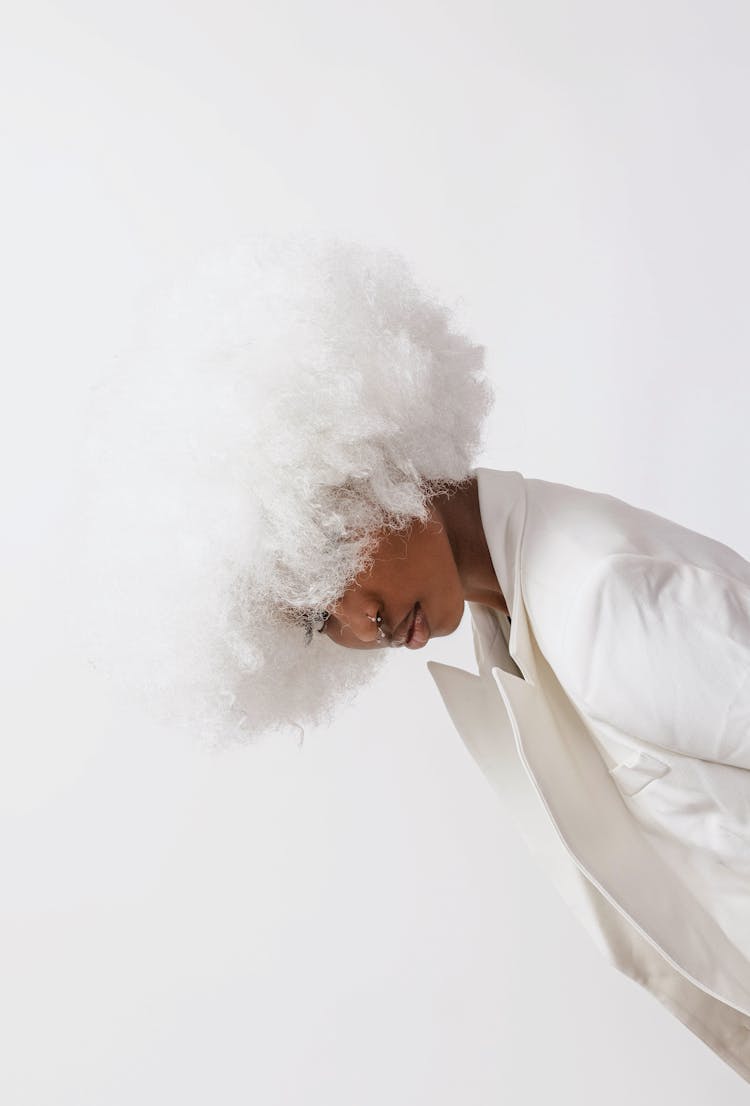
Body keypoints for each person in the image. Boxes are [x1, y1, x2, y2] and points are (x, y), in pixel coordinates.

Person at [80, 234, 750, 1083]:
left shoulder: (605, 594)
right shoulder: (522, 609)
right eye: (317, 621)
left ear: (374, 473)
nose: (359, 626)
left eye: (331, 564)